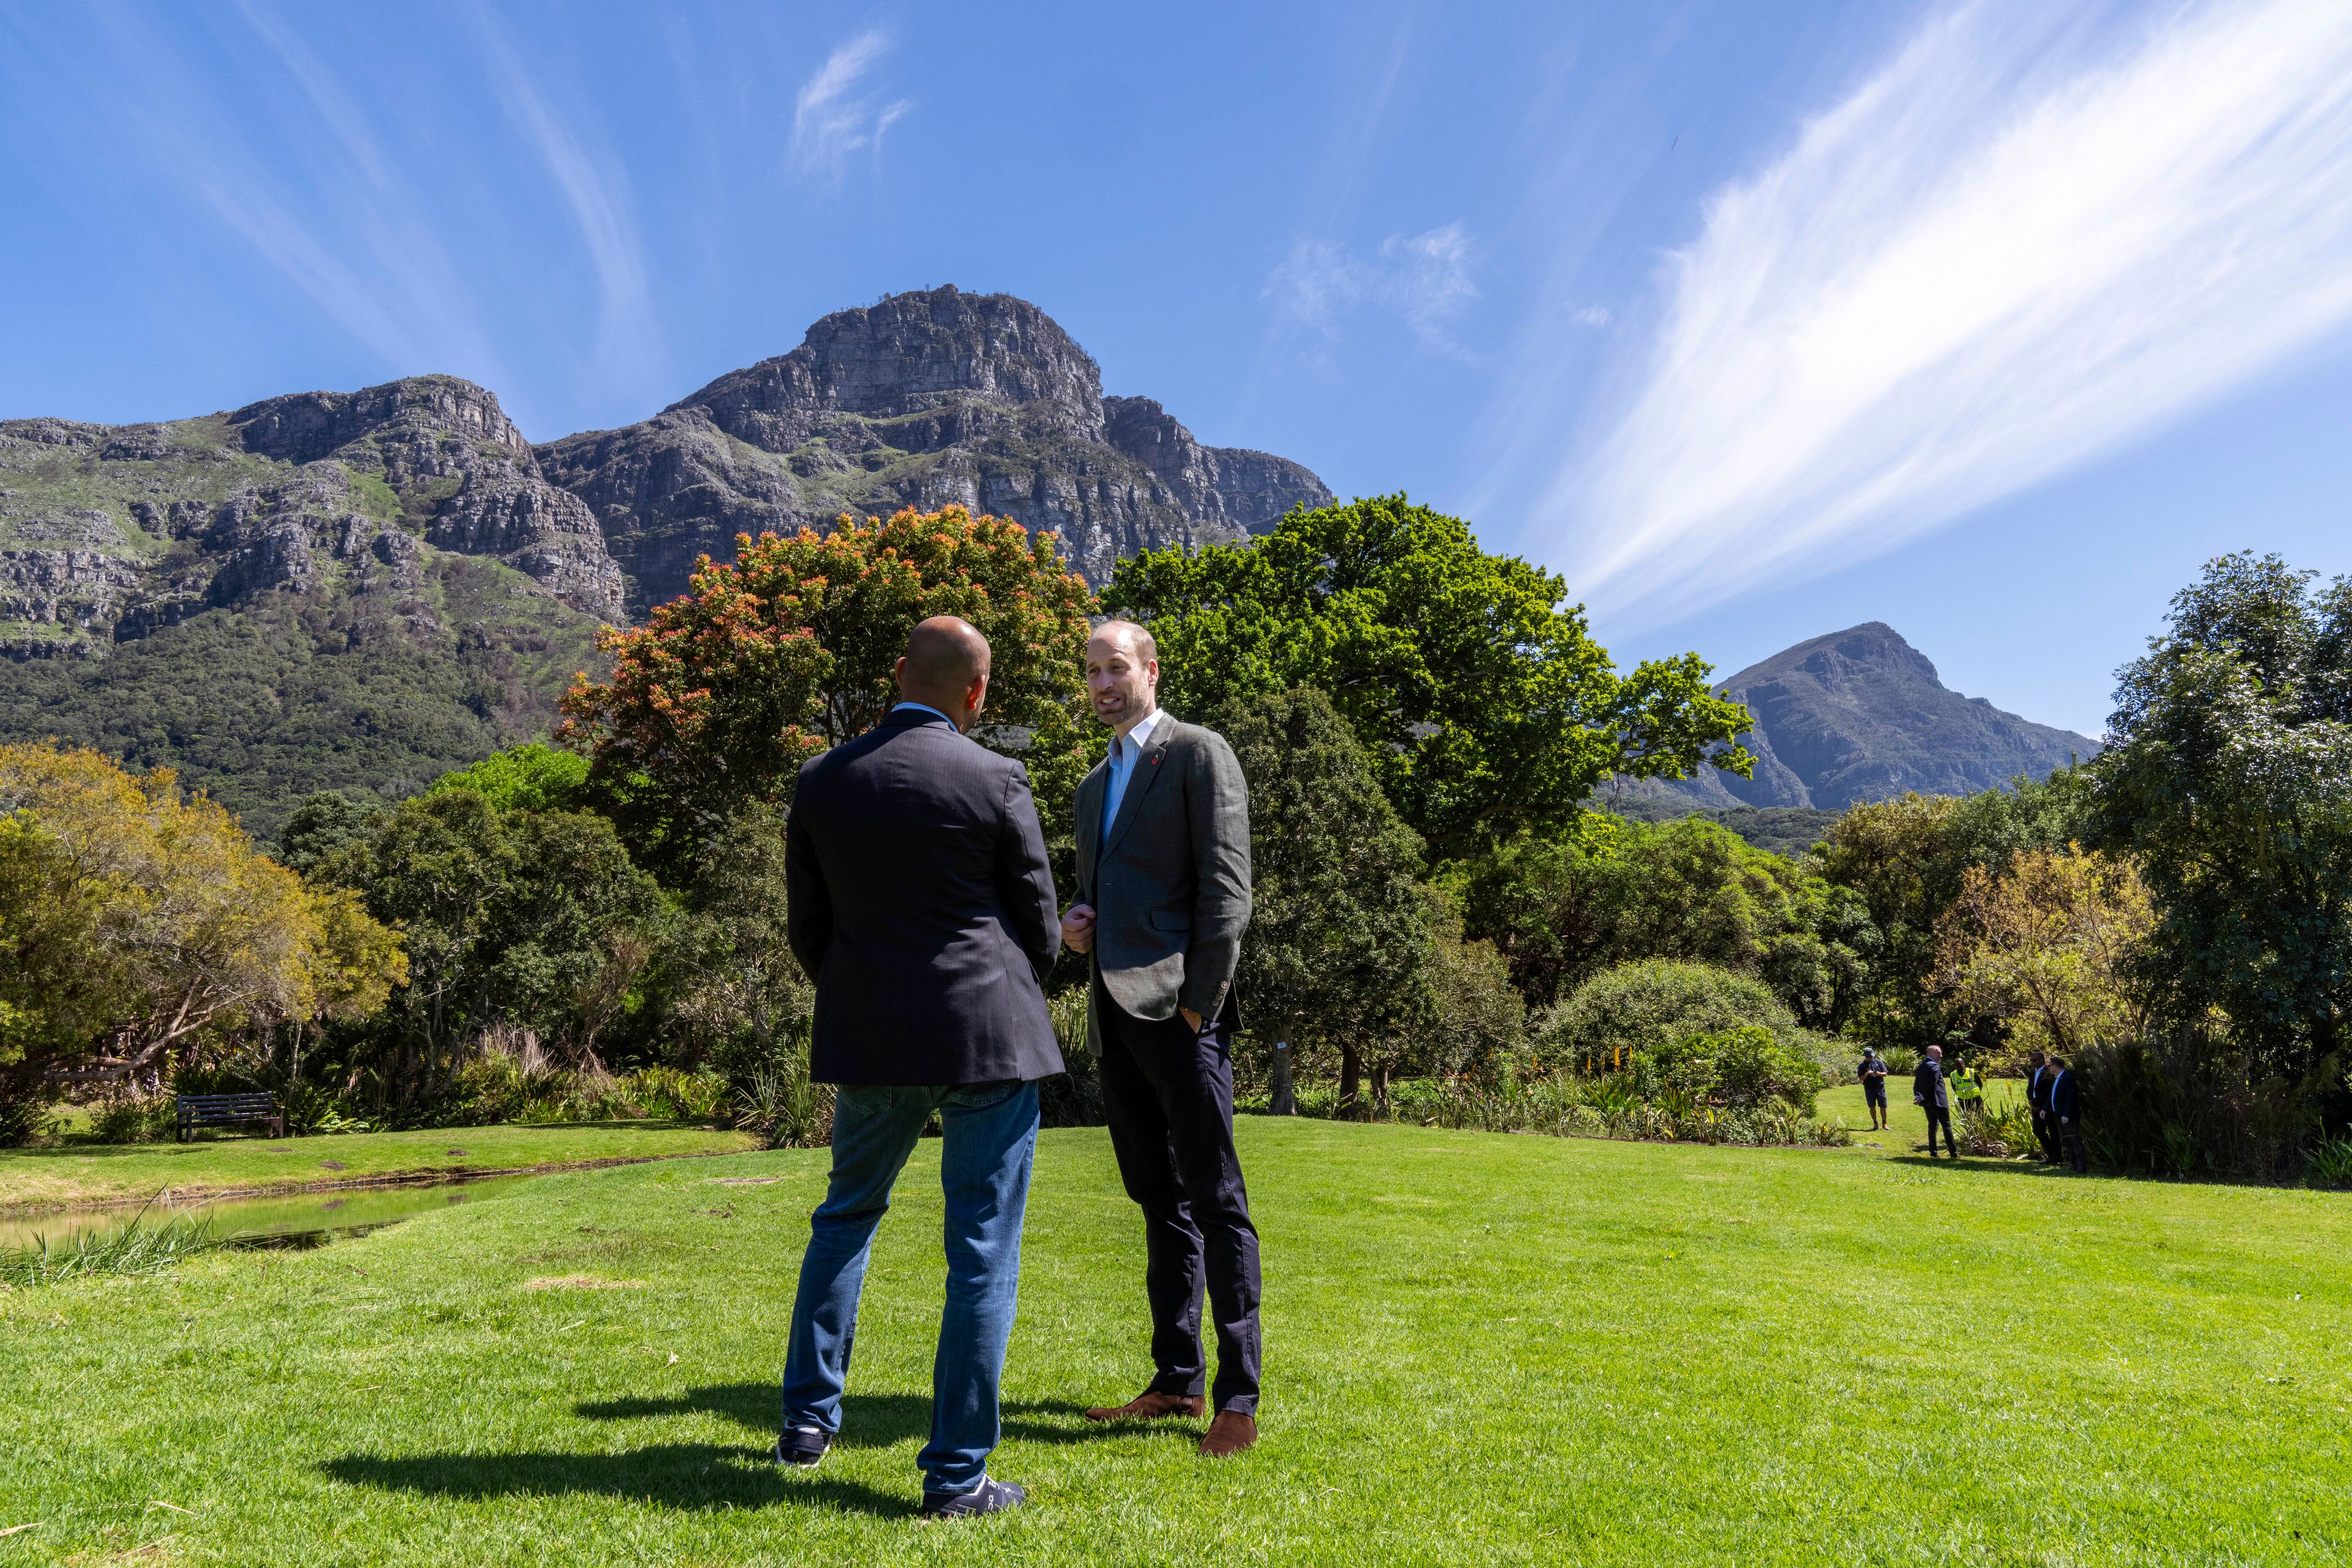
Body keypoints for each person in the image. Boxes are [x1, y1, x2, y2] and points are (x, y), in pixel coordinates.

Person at [777, 616, 1063, 1520]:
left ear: (897, 674)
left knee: (846, 1217)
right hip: (988, 1038)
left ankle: (808, 1427)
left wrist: (864, 995)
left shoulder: (822, 781)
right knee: (982, 1252)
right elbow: (1041, 927)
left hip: (872, 1043)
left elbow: (808, 928)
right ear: (977, 694)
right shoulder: (997, 778)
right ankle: (955, 1478)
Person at [1058, 619, 1261, 1460]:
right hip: (1114, 1019)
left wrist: (1198, 1006)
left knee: (1217, 1204)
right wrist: (1074, 928)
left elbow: (1227, 893)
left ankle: (1237, 1399)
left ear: (1150, 670)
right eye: (1092, 672)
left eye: (1117, 668)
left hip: (1181, 1016)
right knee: (1158, 1204)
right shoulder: (1088, 786)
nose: (1104, 684)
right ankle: (1175, 1381)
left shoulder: (1197, 753)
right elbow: (1100, 897)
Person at [1914, 1043, 1958, 1159]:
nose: (1941, 1056)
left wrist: (1918, 1096)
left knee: (1932, 1127)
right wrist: (1922, 1096)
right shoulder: (1935, 1067)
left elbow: (1916, 1084)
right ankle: (1954, 1153)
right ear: (1930, 1053)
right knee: (1946, 1126)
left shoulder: (1921, 1066)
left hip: (1927, 1103)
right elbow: (1932, 1084)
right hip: (1938, 1102)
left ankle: (1933, 1152)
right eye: (1939, 1053)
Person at [2048, 1054, 2087, 1174]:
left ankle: (2082, 1165)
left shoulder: (2067, 1079)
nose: (2049, 1068)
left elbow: (2072, 1099)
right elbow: (2053, 1096)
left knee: (2074, 1139)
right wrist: (2046, 1109)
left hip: (2068, 1117)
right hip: (2058, 1115)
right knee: (2066, 1141)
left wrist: (2066, 1115)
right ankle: (2073, 1164)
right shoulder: (2056, 1079)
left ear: (2055, 1066)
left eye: (2050, 1066)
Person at [2025, 1050, 2060, 1163]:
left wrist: (2040, 1104)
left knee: (2053, 1132)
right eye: (2031, 1060)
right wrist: (2032, 1102)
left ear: (2042, 1060)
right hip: (2036, 1107)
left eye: (2034, 1060)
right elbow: (2030, 1089)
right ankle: (2051, 1154)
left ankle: (2057, 1157)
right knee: (2038, 1130)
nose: (2032, 1063)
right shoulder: (2033, 1072)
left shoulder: (2048, 1072)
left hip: (2047, 1107)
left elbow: (2047, 1092)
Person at [1857, 1047, 1890, 1131]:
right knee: (1872, 1107)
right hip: (1869, 1089)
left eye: (1871, 1056)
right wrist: (1867, 1074)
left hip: (1880, 1088)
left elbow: (1885, 1074)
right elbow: (1860, 1078)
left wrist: (1879, 1074)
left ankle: (1884, 1123)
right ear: (1865, 1056)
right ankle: (1875, 1123)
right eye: (1868, 1057)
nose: (1870, 1058)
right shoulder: (1862, 1066)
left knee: (1883, 1106)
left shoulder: (1879, 1062)